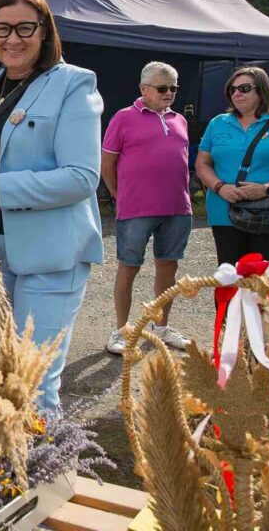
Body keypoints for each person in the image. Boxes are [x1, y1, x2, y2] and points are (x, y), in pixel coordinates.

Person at [0, 0, 103, 411]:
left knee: (33, 385)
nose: (12, 39)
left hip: (49, 256)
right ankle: (8, 472)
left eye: (24, 28)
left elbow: (81, 178)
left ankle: (41, 475)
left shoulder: (74, 84)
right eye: (1, 28)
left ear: (44, 30)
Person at [101, 62, 192, 355]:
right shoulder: (123, 118)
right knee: (129, 268)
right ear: (143, 89)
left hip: (178, 206)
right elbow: (107, 164)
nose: (169, 94)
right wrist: (119, 195)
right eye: (163, 88)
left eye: (173, 88)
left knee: (168, 267)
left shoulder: (180, 119)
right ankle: (121, 331)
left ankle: (161, 328)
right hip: (136, 208)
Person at [195, 66, 269, 281]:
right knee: (229, 282)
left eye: (245, 88)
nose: (237, 93)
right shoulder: (218, 123)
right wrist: (220, 187)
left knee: (267, 287)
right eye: (233, 89)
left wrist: (266, 189)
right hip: (225, 213)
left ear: (262, 91)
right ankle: (231, 318)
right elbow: (202, 164)